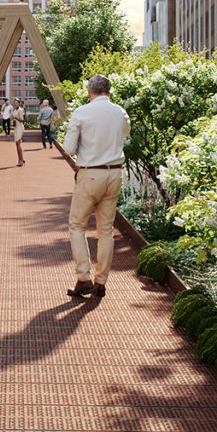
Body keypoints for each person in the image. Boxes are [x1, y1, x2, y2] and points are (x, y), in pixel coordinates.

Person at [61, 75, 130, 298]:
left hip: (90, 174)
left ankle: (83, 278)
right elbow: (125, 134)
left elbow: (69, 148)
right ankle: (101, 281)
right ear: (109, 92)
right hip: (115, 173)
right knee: (106, 230)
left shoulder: (82, 112)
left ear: (90, 93)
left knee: (77, 226)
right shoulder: (120, 112)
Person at [11, 99, 26, 166]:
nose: (15, 104)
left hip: (20, 127)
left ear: (19, 103)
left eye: (16, 103)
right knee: (17, 143)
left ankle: (20, 161)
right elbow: (13, 117)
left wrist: (15, 118)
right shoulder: (14, 110)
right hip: (16, 127)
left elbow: (22, 120)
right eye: (14, 103)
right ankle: (21, 159)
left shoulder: (20, 110)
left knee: (17, 143)